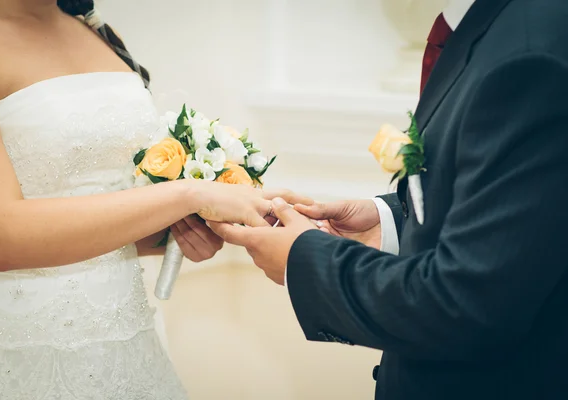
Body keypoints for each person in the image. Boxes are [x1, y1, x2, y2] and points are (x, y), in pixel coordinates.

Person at [210, 0, 568, 399]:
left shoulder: (529, 55)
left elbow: (464, 305)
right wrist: (391, 221)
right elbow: (521, 210)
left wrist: (303, 261)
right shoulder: (495, 25)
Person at [0, 0, 307, 398]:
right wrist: (187, 193)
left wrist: (182, 231)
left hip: (125, 337)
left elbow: (107, 213)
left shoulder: (93, 30)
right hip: (23, 344)